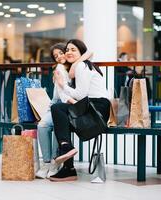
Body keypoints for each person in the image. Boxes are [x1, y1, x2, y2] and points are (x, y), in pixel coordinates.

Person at [50, 39, 110, 181]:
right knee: (62, 120)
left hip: (96, 109)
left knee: (57, 109)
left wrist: (62, 85)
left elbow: (80, 95)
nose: (68, 52)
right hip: (93, 107)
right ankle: (68, 167)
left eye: (73, 50)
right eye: (67, 50)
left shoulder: (81, 66)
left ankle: (67, 156)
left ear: (81, 52)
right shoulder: (81, 65)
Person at [36, 43, 92, 179]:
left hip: (64, 107)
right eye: (55, 56)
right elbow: (62, 96)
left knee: (57, 126)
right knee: (42, 125)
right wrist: (76, 104)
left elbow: (90, 52)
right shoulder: (60, 68)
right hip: (58, 105)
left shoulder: (74, 67)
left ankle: (56, 161)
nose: (59, 57)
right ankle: (47, 162)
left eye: (61, 53)